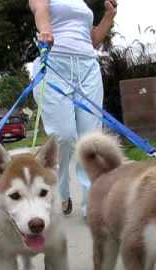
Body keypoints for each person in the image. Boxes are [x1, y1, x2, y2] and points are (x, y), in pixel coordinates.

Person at [30, 0, 117, 216]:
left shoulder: (82, 3)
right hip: (54, 63)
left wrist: (109, 16)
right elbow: (40, 10)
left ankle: (92, 206)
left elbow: (93, 40)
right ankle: (63, 192)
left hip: (88, 66)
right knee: (64, 136)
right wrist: (46, 31)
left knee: (90, 139)